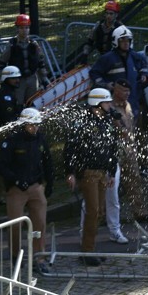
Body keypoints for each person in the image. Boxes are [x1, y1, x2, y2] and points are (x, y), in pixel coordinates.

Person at [63, 88, 119, 266]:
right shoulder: (83, 122)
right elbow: (70, 149)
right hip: (88, 173)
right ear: (97, 104)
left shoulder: (107, 122)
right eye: (107, 102)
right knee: (93, 211)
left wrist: (110, 171)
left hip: (103, 173)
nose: (110, 106)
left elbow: (112, 148)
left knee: (99, 212)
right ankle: (87, 251)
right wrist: (70, 172)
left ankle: (91, 247)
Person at [0, 108, 53, 275]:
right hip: (16, 190)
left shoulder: (40, 139)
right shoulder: (12, 141)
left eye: (37, 125)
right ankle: (16, 257)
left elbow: (47, 162)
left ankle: (39, 258)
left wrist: (49, 183)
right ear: (24, 124)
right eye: (32, 125)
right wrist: (15, 180)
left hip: (35, 186)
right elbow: (2, 166)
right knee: (15, 225)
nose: (35, 128)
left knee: (40, 224)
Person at [111, 78, 148, 223]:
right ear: (116, 90)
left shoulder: (128, 105)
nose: (127, 93)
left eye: (128, 91)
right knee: (111, 185)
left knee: (134, 180)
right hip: (114, 150)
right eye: (124, 90)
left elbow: (132, 128)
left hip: (129, 149)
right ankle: (104, 216)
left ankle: (140, 213)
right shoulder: (109, 107)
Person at [89, 25, 148, 118]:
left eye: (128, 40)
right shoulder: (107, 58)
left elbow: (145, 68)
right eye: (122, 40)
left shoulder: (136, 57)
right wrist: (105, 84)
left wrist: (145, 76)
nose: (126, 43)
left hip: (133, 100)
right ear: (116, 41)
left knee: (132, 125)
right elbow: (94, 73)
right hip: (114, 101)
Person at [0, 14, 50, 105]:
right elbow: (2, 63)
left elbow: (40, 62)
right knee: (18, 103)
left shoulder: (34, 44)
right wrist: (4, 80)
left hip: (32, 78)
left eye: (26, 28)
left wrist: (44, 78)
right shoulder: (12, 45)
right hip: (18, 80)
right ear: (17, 29)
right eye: (22, 28)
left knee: (33, 103)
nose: (24, 31)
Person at [0, 65, 24, 205]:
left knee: (6, 163)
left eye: (18, 77)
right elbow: (9, 117)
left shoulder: (9, 92)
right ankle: (2, 194)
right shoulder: (6, 95)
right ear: (7, 79)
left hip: (4, 132)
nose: (17, 80)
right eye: (14, 78)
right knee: (7, 163)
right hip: (3, 133)